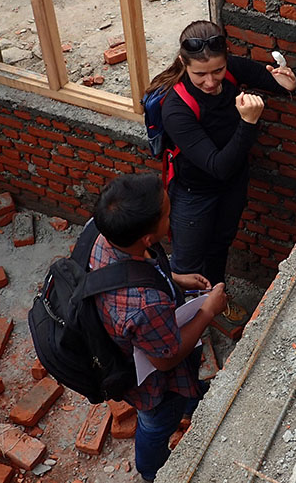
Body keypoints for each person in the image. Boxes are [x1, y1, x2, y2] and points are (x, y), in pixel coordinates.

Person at [90, 173, 228, 482]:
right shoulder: (144, 305)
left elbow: (135, 266)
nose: (173, 214)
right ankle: (152, 470)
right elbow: (166, 359)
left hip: (136, 336)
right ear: (148, 238)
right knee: (155, 422)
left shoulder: (104, 236)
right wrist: (207, 310)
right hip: (152, 386)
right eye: (168, 213)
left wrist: (174, 277)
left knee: (186, 390)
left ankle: (194, 399)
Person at [145, 20, 296, 290]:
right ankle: (188, 317)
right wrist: (248, 123)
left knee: (219, 246)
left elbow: (280, 84)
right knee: (188, 262)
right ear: (184, 64)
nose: (210, 81)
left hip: (232, 186)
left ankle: (215, 299)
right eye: (200, 74)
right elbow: (218, 166)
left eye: (217, 70)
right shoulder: (176, 108)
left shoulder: (230, 71)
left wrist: (290, 82)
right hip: (195, 192)